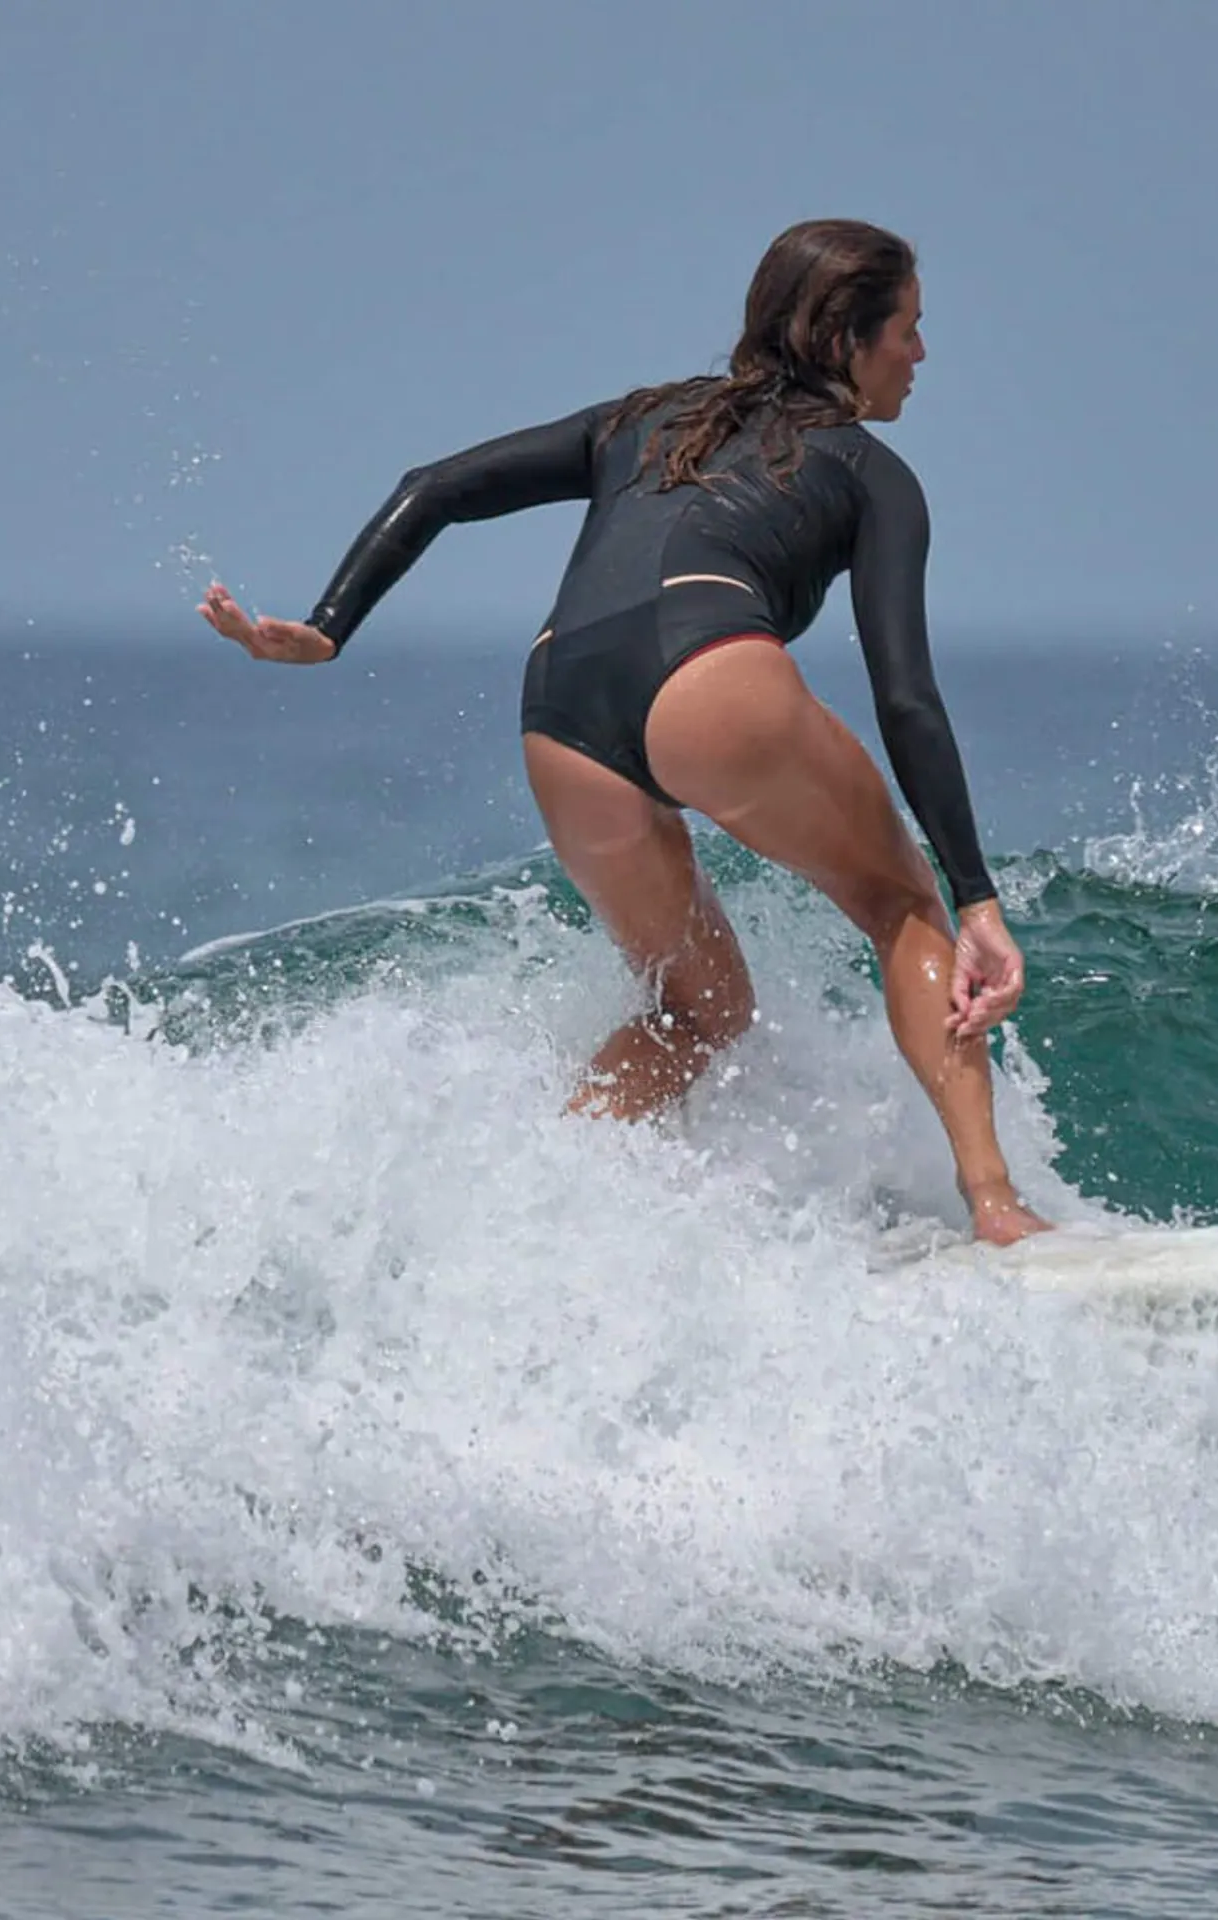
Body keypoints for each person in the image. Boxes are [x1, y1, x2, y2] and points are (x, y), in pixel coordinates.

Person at [198, 218, 1050, 1244]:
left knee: (700, 1012)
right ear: (845, 340)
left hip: (561, 704)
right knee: (901, 905)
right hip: (709, 666)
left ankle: (526, 1208)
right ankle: (997, 1207)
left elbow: (433, 487)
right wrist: (975, 899)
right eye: (908, 329)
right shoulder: (871, 473)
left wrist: (329, 630)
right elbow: (904, 692)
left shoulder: (642, 419)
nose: (921, 354)